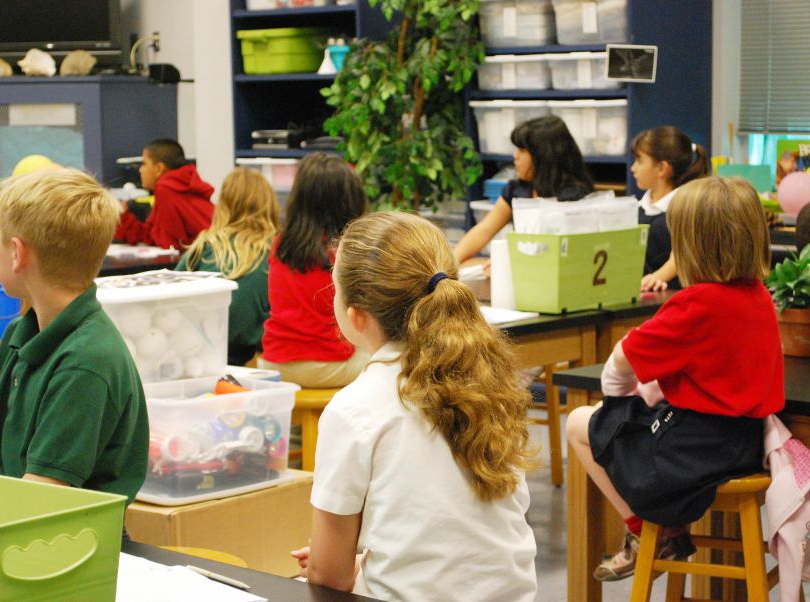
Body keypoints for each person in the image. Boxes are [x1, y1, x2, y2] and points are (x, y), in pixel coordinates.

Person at [290, 211, 538, 601]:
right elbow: (458, 538)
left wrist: (346, 563)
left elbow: (328, 575)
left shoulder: (355, 409)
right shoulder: (490, 383)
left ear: (356, 317)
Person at [566, 176, 784, 582]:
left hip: (690, 457)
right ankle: (668, 527)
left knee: (581, 422)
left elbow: (622, 360)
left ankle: (643, 530)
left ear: (688, 244)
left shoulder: (694, 304)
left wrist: (615, 402)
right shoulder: (759, 295)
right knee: (620, 418)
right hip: (743, 446)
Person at [0, 169, 149, 503]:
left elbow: (41, 496)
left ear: (16, 253)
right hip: (22, 526)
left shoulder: (86, 362)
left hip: (70, 542)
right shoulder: (21, 334)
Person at [259, 153, 369, 387]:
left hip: (273, 363)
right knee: (392, 357)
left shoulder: (281, 243)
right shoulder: (349, 250)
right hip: (328, 366)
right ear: (351, 200)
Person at [453, 115, 594, 263]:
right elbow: (484, 230)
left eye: (522, 150)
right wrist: (450, 264)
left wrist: (509, 261)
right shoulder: (517, 191)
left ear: (543, 155)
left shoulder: (573, 198)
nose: (515, 156)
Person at [176, 167, 279, 366]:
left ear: (223, 205)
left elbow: (170, 297)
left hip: (198, 357)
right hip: (258, 359)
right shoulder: (277, 252)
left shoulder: (203, 247)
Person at [631, 126, 710, 291]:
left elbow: (681, 255)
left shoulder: (684, 207)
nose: (633, 168)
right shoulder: (638, 206)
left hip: (670, 297)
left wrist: (654, 279)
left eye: (640, 160)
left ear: (662, 168)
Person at [115, 138, 215, 251]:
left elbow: (168, 244)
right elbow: (153, 235)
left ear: (159, 169)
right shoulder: (183, 185)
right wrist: (124, 217)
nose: (140, 170)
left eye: (144, 164)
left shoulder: (165, 189)